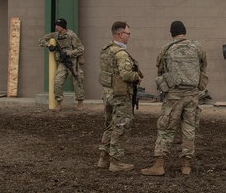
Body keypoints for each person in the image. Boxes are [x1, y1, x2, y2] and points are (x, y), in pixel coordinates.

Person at [142, 21, 208, 176]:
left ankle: (159, 165)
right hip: (192, 95)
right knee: (189, 129)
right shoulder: (198, 47)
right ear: (184, 31)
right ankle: (186, 165)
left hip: (174, 95)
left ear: (172, 33)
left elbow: (160, 69)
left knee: (166, 129)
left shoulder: (167, 48)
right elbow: (203, 66)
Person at [97, 21, 142, 172]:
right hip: (120, 96)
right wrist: (136, 76)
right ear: (120, 34)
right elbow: (126, 74)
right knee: (121, 126)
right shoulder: (121, 53)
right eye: (128, 33)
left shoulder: (106, 50)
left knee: (109, 125)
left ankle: (104, 158)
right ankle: (116, 161)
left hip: (108, 93)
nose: (129, 36)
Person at [38, 18, 86, 111]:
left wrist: (68, 53)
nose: (56, 27)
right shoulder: (55, 35)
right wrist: (49, 45)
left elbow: (80, 49)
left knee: (77, 82)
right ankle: (59, 103)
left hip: (72, 62)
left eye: (57, 25)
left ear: (62, 27)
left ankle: (80, 103)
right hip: (62, 62)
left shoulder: (72, 35)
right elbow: (41, 39)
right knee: (57, 82)